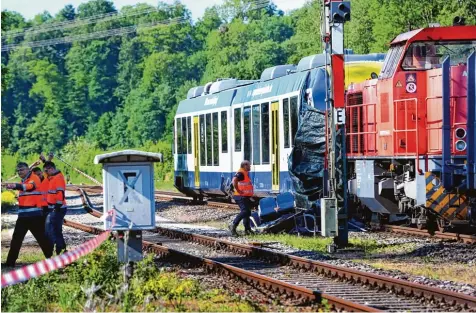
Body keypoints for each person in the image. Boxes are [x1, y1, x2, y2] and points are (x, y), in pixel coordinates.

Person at [4, 162, 53, 267]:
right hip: (23, 216)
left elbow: (30, 186)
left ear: (27, 169)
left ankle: (52, 259)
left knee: (41, 239)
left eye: (21, 169)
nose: (19, 172)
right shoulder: (23, 180)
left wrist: (15, 186)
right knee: (16, 239)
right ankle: (9, 263)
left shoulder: (34, 178)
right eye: (18, 170)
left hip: (34, 216)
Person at [43, 161, 68, 255]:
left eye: (46, 171)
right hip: (54, 207)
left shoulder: (58, 178)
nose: (45, 173)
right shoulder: (52, 177)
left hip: (58, 208)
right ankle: (60, 248)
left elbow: (60, 194)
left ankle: (60, 248)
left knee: (54, 229)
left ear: (51, 169)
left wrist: (56, 207)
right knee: (54, 229)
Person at [229, 160, 254, 236]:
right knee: (245, 211)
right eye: (249, 165)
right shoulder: (241, 173)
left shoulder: (244, 173)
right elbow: (234, 180)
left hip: (244, 196)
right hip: (240, 196)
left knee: (248, 212)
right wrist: (238, 190)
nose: (250, 167)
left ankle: (247, 229)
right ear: (245, 165)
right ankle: (233, 225)